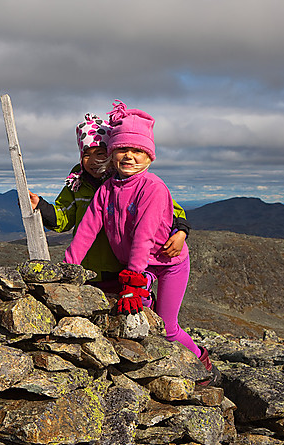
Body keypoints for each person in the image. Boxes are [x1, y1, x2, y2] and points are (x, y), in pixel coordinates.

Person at [63, 100, 214, 373]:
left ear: (149, 156)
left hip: (168, 264)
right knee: (137, 316)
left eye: (137, 150)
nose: (129, 156)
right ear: (112, 153)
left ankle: (202, 364)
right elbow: (87, 229)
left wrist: (133, 283)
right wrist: (67, 267)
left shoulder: (153, 188)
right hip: (139, 266)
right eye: (122, 149)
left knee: (168, 328)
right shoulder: (106, 189)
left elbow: (144, 236)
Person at [29, 113, 190, 293]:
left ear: (111, 155)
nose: (94, 160)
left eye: (100, 153)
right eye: (87, 154)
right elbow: (66, 219)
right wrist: (41, 206)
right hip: (88, 268)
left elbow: (168, 211)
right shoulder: (78, 183)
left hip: (119, 268)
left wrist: (181, 231)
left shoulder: (130, 182)